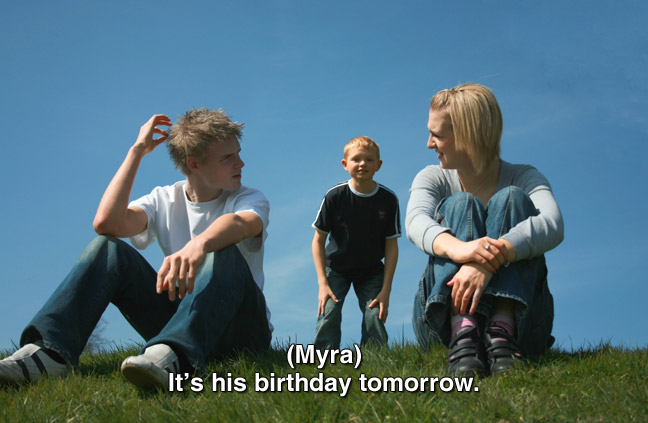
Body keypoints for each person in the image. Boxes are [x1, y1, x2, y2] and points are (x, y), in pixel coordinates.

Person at [0, 109, 271, 389]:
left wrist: (200, 243)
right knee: (106, 248)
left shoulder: (249, 198)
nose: (241, 163)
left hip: (241, 331)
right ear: (194, 164)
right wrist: (137, 151)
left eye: (237, 153)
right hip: (182, 319)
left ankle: (173, 357)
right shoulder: (164, 198)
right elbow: (107, 223)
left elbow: (241, 222)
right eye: (228, 158)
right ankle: (49, 355)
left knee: (223, 250)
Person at [406, 83, 564, 377]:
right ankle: (463, 330)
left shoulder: (523, 176)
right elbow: (415, 221)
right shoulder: (433, 177)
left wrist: (490, 260)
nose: (429, 143)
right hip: (439, 326)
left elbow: (552, 224)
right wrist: (464, 250)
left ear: (467, 136)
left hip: (525, 327)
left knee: (512, 199)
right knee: (462, 204)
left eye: (437, 135)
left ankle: (502, 329)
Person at [312, 136, 400, 349]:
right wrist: (322, 283)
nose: (362, 164)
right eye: (356, 159)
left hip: (371, 270)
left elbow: (391, 246)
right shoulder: (335, 196)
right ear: (345, 164)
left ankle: (375, 361)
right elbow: (318, 241)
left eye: (369, 160)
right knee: (328, 313)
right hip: (336, 268)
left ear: (378, 165)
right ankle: (323, 360)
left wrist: (386, 290)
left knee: (374, 316)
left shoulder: (388, 200)